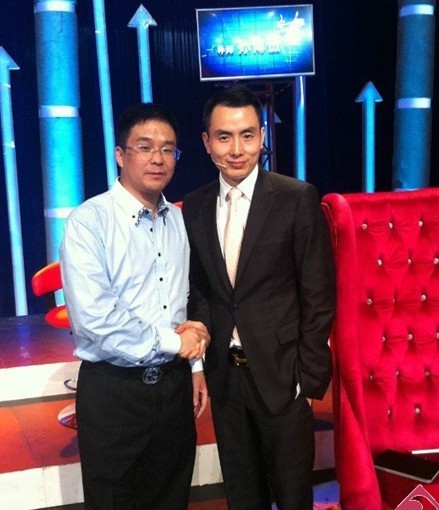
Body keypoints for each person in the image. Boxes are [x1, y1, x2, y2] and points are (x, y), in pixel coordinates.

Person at [182, 84, 336, 510]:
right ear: (206, 141)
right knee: (242, 494)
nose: (237, 149)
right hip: (225, 377)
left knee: (292, 496)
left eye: (247, 135)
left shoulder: (296, 197)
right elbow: (199, 290)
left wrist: (308, 378)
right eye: (224, 137)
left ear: (262, 135)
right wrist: (200, 363)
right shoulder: (194, 206)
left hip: (284, 375)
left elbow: (319, 292)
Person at [60, 102, 209, 510]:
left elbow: (185, 301)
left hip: (174, 388)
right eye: (144, 147)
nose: (157, 158)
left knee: (172, 497)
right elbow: (95, 319)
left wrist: (195, 366)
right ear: (120, 154)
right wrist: (175, 344)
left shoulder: (178, 221)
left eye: (168, 149)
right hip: (114, 392)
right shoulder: (89, 221)